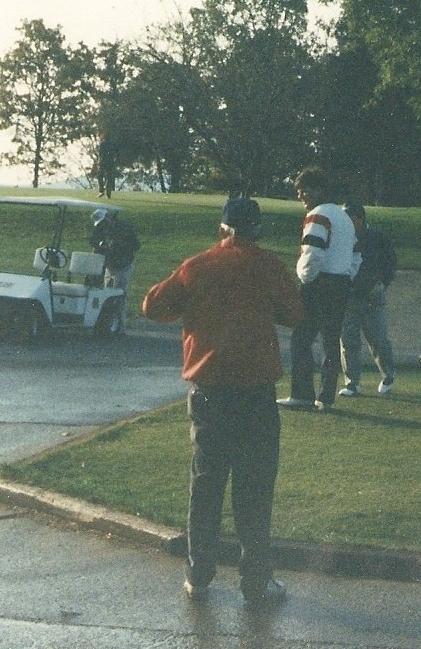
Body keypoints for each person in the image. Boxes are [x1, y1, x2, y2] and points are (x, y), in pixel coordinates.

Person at [142, 198, 303, 605]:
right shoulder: (267, 265)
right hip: (255, 392)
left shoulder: (197, 266)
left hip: (210, 391)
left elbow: (153, 306)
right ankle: (256, 580)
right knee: (255, 486)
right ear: (256, 231)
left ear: (223, 228)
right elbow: (295, 314)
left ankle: (199, 574)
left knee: (207, 482)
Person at [278, 166, 358, 412]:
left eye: (304, 191)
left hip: (320, 283)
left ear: (318, 190)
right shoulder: (344, 217)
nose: (301, 197)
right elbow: (356, 254)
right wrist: (346, 276)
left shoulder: (318, 216)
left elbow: (312, 253)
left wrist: (305, 278)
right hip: (342, 282)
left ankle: (302, 394)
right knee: (330, 340)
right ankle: (326, 397)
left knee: (301, 338)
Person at [338, 202, 397, 397]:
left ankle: (388, 376)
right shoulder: (342, 238)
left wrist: (381, 283)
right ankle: (352, 383)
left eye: (349, 217)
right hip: (348, 297)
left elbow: (390, 264)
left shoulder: (378, 238)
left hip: (372, 296)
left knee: (378, 340)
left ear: (360, 218)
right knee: (348, 342)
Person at [89, 208, 139, 296]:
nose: (102, 225)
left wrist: (119, 246)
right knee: (106, 289)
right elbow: (93, 242)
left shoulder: (124, 228)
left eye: (103, 222)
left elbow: (136, 245)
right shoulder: (101, 228)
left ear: (108, 217)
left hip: (123, 264)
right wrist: (100, 245)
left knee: (118, 291)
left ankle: (119, 309)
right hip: (109, 264)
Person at [96, 131, 118, 198]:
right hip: (110, 162)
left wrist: (98, 161)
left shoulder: (102, 144)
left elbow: (100, 153)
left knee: (100, 176)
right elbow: (116, 153)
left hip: (103, 162)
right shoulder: (112, 144)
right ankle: (108, 193)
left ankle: (101, 191)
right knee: (109, 177)